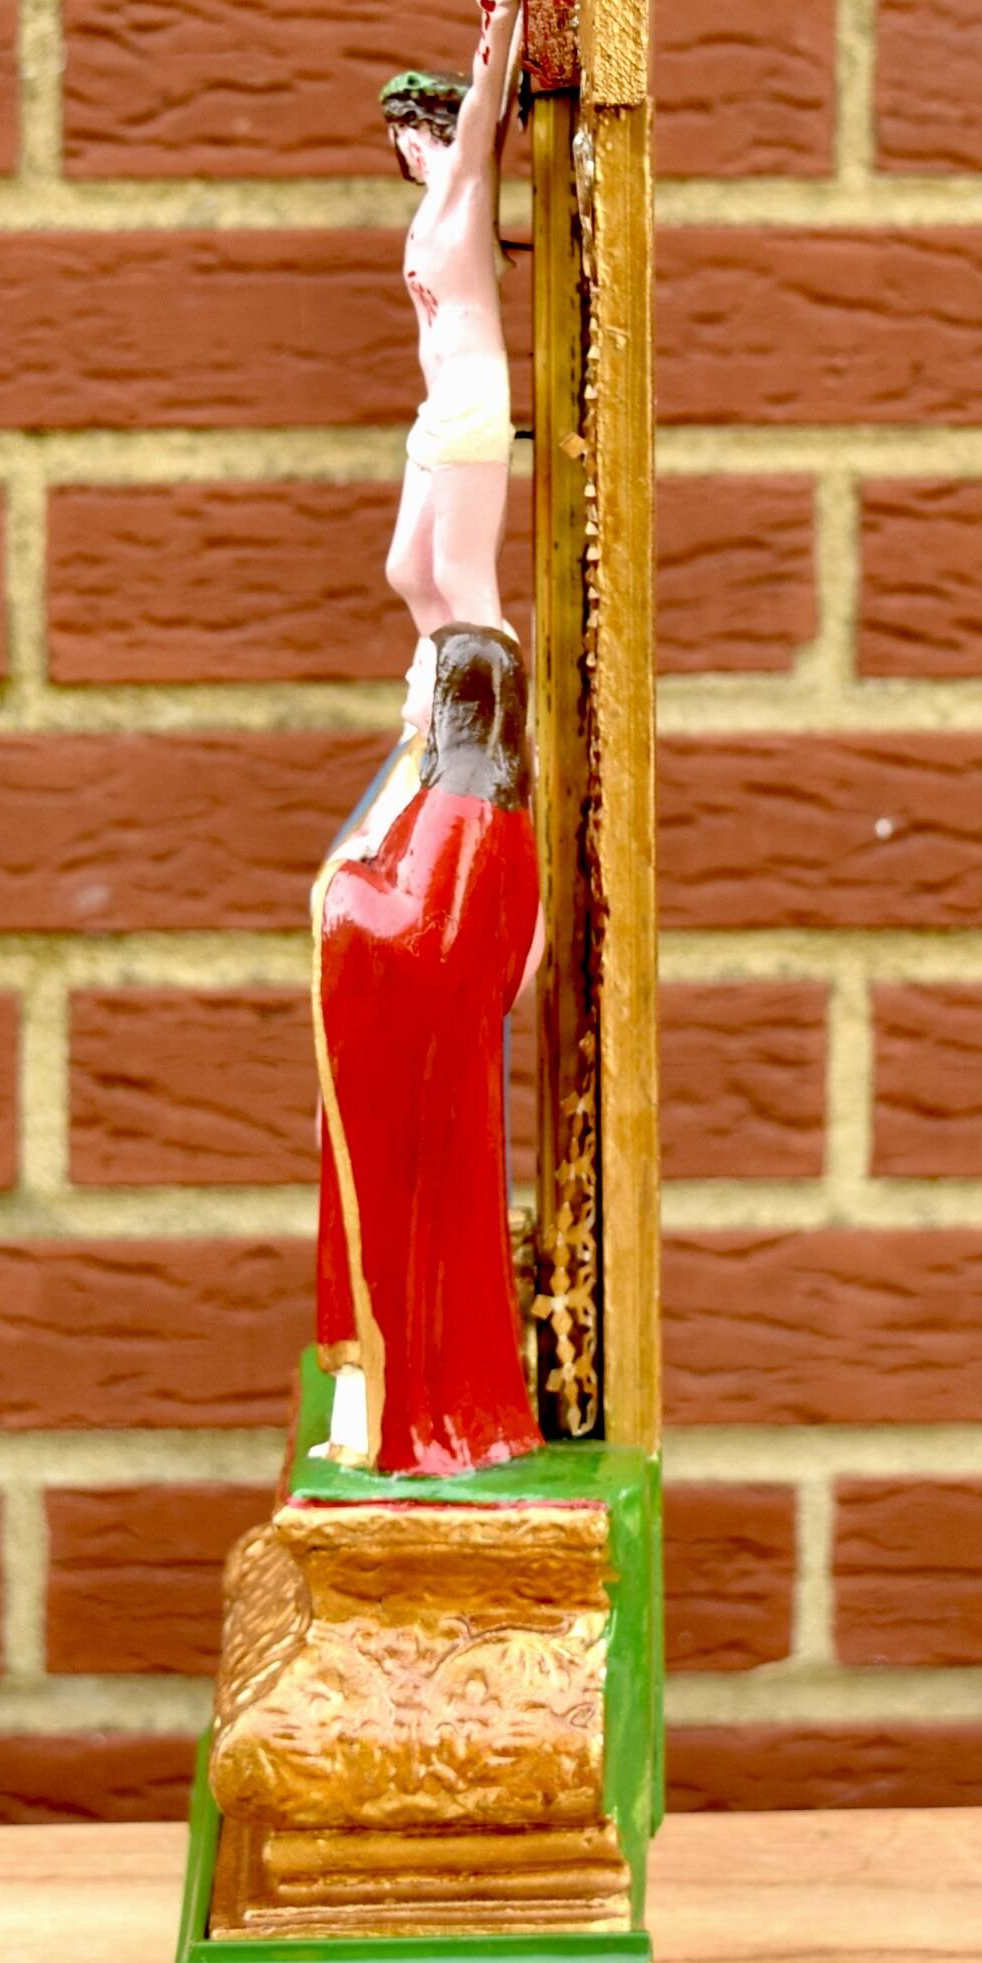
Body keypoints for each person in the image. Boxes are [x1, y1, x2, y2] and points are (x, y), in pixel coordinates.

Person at [311, 624, 544, 1480]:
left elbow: (427, 940)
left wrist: (343, 891)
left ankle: (417, 1426)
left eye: (420, 674)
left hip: (424, 1094)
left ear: (457, 699)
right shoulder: (463, 805)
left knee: (410, 1259)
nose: (407, 685)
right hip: (426, 1079)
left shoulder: (464, 816)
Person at [379, 0, 524, 736]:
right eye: (399, 134)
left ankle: (493, 731)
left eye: (416, 128)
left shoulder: (467, 187)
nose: (408, 145)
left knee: (461, 576)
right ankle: (439, 694)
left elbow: (486, 108)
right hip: (437, 410)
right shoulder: (427, 213)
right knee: (409, 569)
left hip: (472, 402)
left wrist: (501, 11)